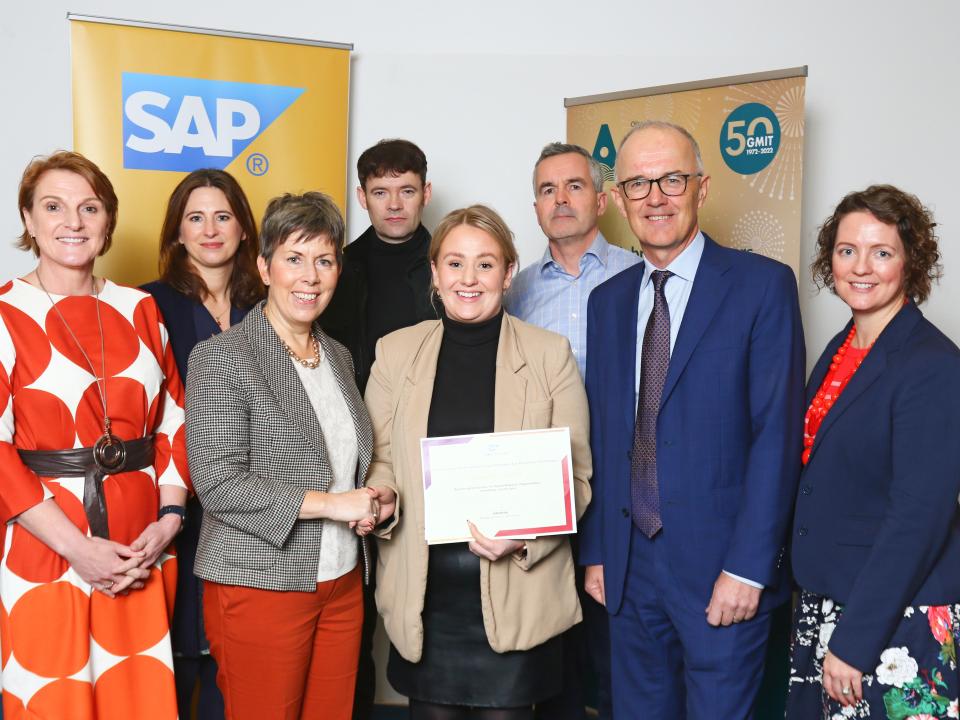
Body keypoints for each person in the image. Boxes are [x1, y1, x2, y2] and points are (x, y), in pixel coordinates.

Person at [579, 121, 805, 719]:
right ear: (620, 199)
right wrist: (599, 552)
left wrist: (749, 569)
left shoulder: (762, 287)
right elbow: (604, 432)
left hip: (721, 570)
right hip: (628, 572)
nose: (655, 197)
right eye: (638, 183)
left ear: (701, 188)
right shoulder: (607, 302)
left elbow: (776, 440)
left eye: (671, 179)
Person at [361, 204, 592, 720]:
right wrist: (384, 496)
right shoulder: (395, 353)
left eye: (485, 264)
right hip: (425, 596)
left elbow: (577, 478)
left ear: (508, 273)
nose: (469, 279)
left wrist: (527, 534)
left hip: (517, 588)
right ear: (436, 273)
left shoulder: (549, 354)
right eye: (455, 263)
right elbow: (378, 458)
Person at [0, 150, 188, 718]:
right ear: (29, 220)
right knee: (55, 698)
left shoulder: (141, 308)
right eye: (53, 207)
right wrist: (79, 549)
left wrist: (169, 522)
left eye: (89, 208)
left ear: (108, 222)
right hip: (47, 552)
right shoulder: (5, 312)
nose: (73, 222)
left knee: (139, 698)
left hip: (141, 551)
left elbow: (175, 421)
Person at [185, 191, 378, 720]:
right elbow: (219, 483)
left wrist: (371, 501)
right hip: (260, 580)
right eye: (294, 259)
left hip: (341, 580)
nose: (310, 277)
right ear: (264, 266)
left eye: (324, 260)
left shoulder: (336, 354)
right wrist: (333, 504)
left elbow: (348, 462)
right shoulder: (222, 356)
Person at [788, 185, 960, 719]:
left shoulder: (932, 365)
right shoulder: (842, 348)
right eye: (846, 250)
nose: (861, 267)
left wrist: (854, 640)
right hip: (830, 599)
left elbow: (919, 518)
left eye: (881, 252)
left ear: (910, 263)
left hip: (891, 617)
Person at [505, 142, 639, 720]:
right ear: (535, 206)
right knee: (553, 657)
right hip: (545, 490)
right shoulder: (513, 291)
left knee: (623, 652)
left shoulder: (641, 276)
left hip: (625, 487)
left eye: (574, 186)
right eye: (547, 189)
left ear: (602, 199)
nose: (560, 200)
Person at [319, 138, 438, 720]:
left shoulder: (454, 259)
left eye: (407, 190)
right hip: (358, 458)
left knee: (439, 602)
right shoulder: (336, 267)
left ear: (426, 193)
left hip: (440, 450)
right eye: (381, 192)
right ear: (362, 197)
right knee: (355, 613)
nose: (395, 204)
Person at [142, 168, 264, 720]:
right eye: (196, 217)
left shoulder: (272, 304)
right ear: (176, 233)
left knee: (237, 661)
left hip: (250, 503)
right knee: (171, 654)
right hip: (172, 500)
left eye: (223, 216)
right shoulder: (145, 304)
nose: (210, 230)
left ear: (243, 229)